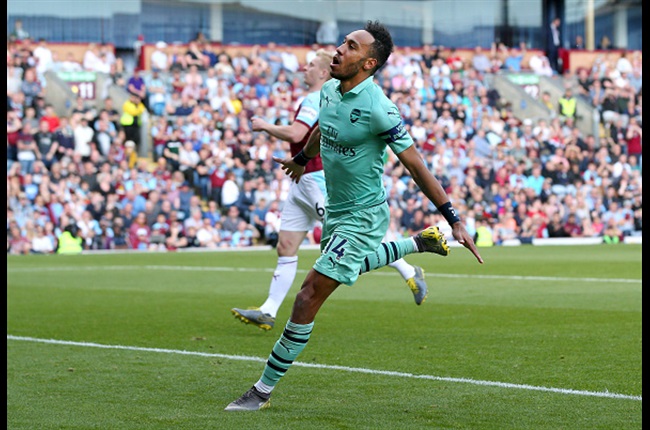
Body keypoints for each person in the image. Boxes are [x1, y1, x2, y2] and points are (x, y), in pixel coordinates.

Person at [225, 20, 483, 411]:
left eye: (350, 46)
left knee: (309, 294)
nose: (338, 50)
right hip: (337, 209)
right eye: (342, 42)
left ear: (368, 63)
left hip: (363, 215)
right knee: (346, 268)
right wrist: (301, 159)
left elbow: (417, 167)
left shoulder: (380, 109)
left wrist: (455, 219)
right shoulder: (329, 90)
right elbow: (320, 131)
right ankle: (417, 243)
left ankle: (261, 391)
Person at [230, 48, 433, 333]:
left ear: (324, 71)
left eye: (312, 65)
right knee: (286, 246)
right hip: (301, 181)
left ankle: (409, 269)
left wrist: (265, 126)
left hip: (317, 180)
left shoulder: (316, 98)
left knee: (348, 244)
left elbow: (300, 134)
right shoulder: (320, 95)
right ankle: (268, 310)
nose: (305, 68)